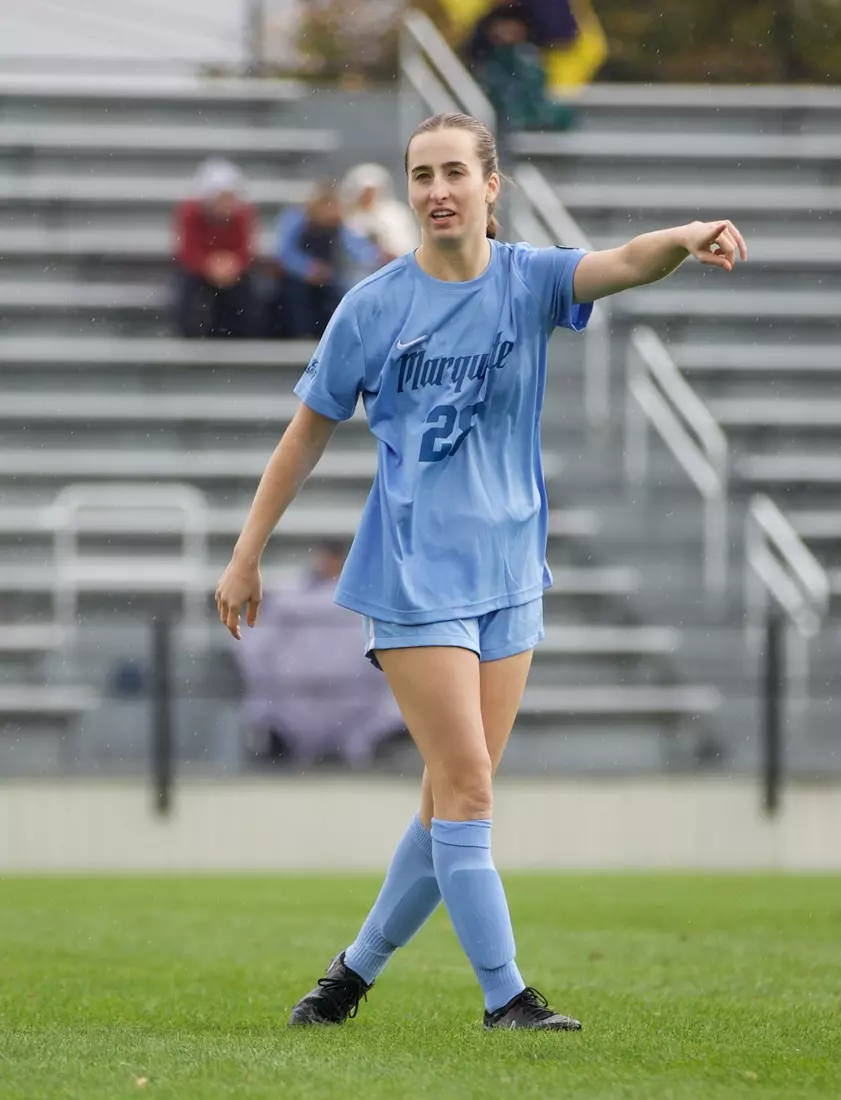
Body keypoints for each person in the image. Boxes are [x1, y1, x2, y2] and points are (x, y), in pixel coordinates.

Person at [214, 111, 746, 1031]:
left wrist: (687, 237)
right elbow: (305, 433)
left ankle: (346, 979)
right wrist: (246, 551)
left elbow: (624, 262)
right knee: (469, 791)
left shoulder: (527, 278)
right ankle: (508, 998)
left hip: (510, 573)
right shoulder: (373, 305)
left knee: (446, 806)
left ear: (490, 186)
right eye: (422, 175)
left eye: (455, 172)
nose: (438, 191)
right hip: (414, 574)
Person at [233, 541, 405, 768]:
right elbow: (254, 647)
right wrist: (269, 684)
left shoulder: (371, 597)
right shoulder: (287, 597)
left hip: (361, 705)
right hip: (292, 703)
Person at [274, 182, 381, 339]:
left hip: (328, 276)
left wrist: (377, 256)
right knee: (297, 300)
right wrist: (307, 268)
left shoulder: (337, 224)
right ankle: (300, 336)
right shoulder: (296, 219)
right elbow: (285, 252)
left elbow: (355, 247)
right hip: (297, 278)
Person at [173, 158, 256, 338]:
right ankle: (189, 334)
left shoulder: (242, 214)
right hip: (200, 270)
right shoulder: (190, 212)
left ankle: (236, 334)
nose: (226, 204)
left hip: (230, 270)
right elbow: (187, 250)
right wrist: (208, 265)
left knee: (246, 290)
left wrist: (232, 265)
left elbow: (246, 248)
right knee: (186, 287)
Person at [470, 5, 573, 134]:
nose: (507, 32)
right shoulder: (489, 67)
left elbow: (536, 98)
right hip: (502, 126)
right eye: (503, 27)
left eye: (512, 27)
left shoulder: (530, 60)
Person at [341, 162, 420, 262]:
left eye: (371, 191)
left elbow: (406, 245)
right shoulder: (349, 218)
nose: (368, 196)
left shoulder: (395, 214)